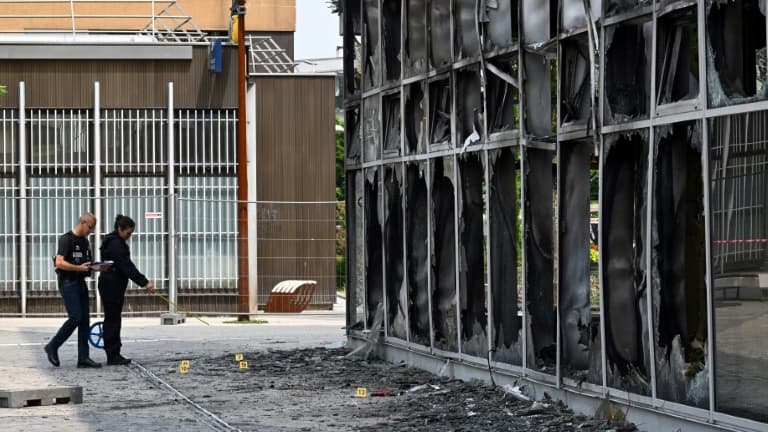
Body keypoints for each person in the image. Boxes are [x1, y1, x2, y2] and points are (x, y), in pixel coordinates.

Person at [44, 212, 105, 368]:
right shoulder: (66, 239)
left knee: (85, 320)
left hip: (80, 283)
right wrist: (78, 268)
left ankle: (83, 358)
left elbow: (86, 265)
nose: (90, 231)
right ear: (83, 222)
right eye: (90, 227)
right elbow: (59, 263)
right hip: (68, 282)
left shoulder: (85, 242)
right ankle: (53, 346)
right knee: (76, 317)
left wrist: (96, 267)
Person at [98, 214, 155, 365]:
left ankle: (114, 352)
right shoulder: (116, 244)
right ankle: (113, 354)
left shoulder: (111, 241)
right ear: (120, 229)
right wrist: (145, 282)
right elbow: (126, 266)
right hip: (111, 285)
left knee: (112, 318)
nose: (129, 236)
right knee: (113, 320)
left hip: (110, 284)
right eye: (128, 233)